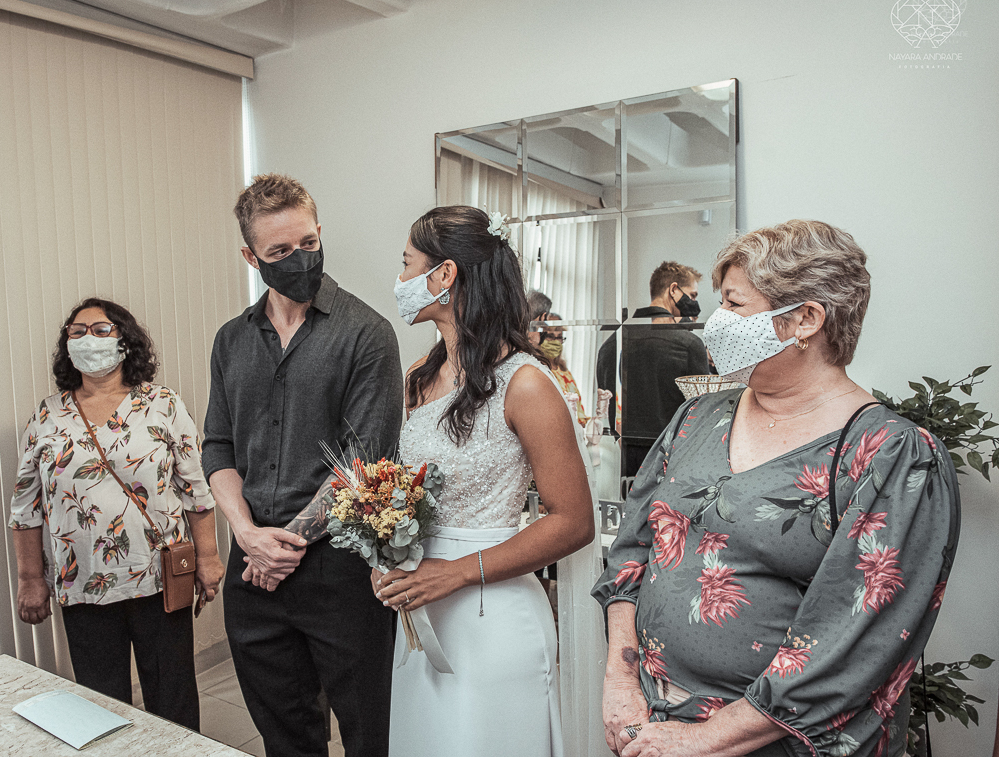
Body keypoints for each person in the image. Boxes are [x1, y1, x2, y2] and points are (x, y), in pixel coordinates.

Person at [593, 219, 960, 757]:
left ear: (805, 320)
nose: (716, 323)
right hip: (653, 726)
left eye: (735, 306)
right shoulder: (696, 417)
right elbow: (632, 550)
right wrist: (622, 681)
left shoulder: (891, 454)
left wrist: (707, 740)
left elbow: (854, 643)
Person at [374, 205, 595, 756]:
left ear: (444, 275)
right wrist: (389, 558)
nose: (400, 282)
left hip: (493, 615)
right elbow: (412, 498)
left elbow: (574, 521)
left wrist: (454, 573)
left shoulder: (525, 384)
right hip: (422, 611)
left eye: (407, 265)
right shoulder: (419, 379)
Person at [202, 174, 403, 757]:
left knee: (369, 733)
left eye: (309, 243)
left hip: (338, 572)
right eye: (280, 252)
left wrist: (281, 548)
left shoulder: (367, 334)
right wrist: (246, 536)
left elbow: (362, 464)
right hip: (254, 571)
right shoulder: (231, 340)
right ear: (251, 256)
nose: (300, 259)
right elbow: (218, 447)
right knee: (285, 737)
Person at [9, 298, 221, 731]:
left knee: (173, 698)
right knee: (101, 708)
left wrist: (210, 557)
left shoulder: (162, 404)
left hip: (158, 577)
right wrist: (30, 579)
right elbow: (25, 507)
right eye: (77, 331)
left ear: (126, 340)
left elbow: (195, 490)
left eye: (102, 329)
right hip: (83, 582)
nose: (88, 338)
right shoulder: (47, 416)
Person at [597, 260, 710, 477]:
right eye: (692, 295)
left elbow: (608, 410)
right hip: (674, 463)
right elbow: (699, 416)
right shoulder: (688, 345)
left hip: (625, 464)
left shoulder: (612, 343)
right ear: (674, 290)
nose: (695, 303)